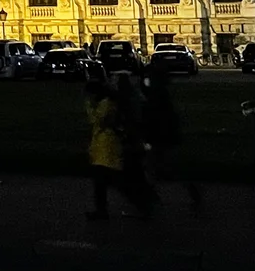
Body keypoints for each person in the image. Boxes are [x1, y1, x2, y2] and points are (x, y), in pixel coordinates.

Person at [142, 64, 203, 213]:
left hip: (160, 137)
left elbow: (154, 118)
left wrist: (148, 136)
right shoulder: (161, 94)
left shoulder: (155, 96)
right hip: (166, 137)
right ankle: (152, 197)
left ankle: (149, 200)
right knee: (165, 167)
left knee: (156, 167)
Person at [110, 71, 156, 217]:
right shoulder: (135, 97)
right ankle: (148, 200)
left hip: (131, 141)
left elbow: (122, 121)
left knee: (128, 176)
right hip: (136, 140)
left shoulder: (124, 100)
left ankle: (143, 204)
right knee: (136, 173)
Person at [84, 65, 124, 220]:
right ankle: (101, 210)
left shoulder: (105, 102)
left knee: (105, 179)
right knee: (106, 180)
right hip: (104, 143)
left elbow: (97, 120)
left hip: (105, 144)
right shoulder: (108, 99)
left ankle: (101, 210)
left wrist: (89, 105)